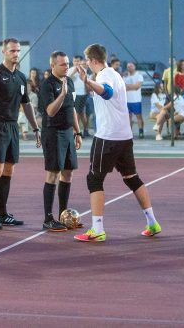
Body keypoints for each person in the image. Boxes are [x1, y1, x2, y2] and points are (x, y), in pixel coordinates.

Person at [73, 43, 160, 242]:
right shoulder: (115, 74)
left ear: (93, 60)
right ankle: (152, 222)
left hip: (108, 137)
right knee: (132, 178)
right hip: (124, 136)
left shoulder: (104, 76)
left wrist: (87, 81)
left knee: (94, 179)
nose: (86, 63)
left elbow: (107, 92)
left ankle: (97, 229)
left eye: (87, 60)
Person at [0, 38, 41, 230]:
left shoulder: (20, 77)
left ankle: (2, 214)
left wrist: (36, 128)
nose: (16, 54)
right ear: (3, 51)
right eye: (12, 51)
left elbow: (26, 104)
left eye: (18, 51)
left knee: (9, 171)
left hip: (12, 127)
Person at [38, 51, 82, 232]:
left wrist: (78, 132)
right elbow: (50, 111)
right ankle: (48, 219)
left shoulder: (69, 82)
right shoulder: (47, 85)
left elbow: (72, 108)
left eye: (67, 64)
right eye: (62, 64)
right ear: (53, 66)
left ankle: (64, 216)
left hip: (68, 133)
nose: (66, 67)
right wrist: (62, 94)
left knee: (68, 173)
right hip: (53, 133)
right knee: (53, 174)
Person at [68, 56, 89, 137]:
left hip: (82, 94)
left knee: (77, 113)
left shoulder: (84, 70)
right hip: (73, 94)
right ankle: (85, 130)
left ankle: (76, 132)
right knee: (81, 113)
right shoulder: (70, 69)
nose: (76, 63)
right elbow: (67, 79)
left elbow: (86, 81)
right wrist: (74, 72)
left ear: (80, 62)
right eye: (75, 61)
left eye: (78, 61)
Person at [124, 61, 144, 139]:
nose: (130, 68)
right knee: (128, 117)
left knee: (139, 116)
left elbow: (137, 87)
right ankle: (129, 133)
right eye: (128, 67)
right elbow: (123, 87)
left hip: (136, 100)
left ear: (134, 67)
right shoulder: (125, 76)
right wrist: (132, 86)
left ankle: (141, 131)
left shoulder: (139, 76)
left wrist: (128, 86)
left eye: (131, 66)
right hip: (127, 100)